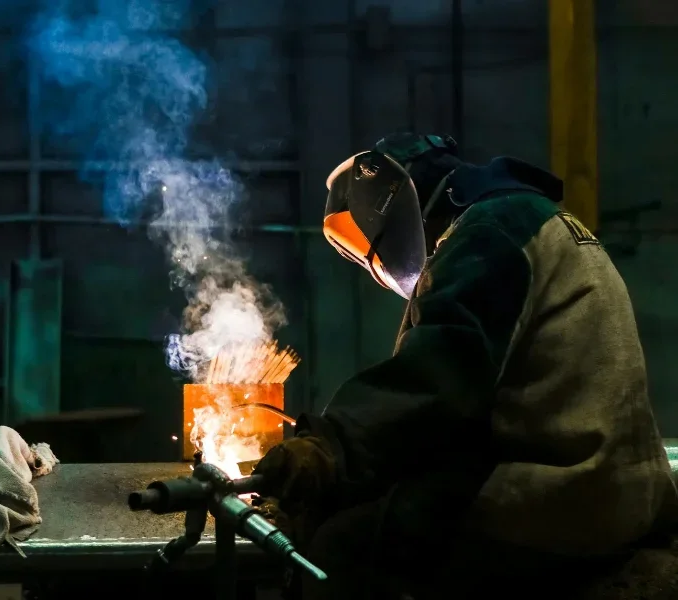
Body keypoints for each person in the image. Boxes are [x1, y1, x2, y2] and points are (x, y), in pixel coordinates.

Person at [252, 133, 678, 599]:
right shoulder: (525, 218)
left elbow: (438, 379)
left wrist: (330, 448)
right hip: (614, 486)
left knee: (339, 547)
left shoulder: (490, 231)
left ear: (403, 199)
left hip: (563, 498)